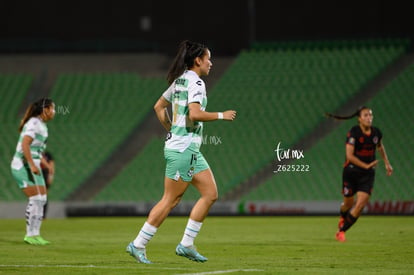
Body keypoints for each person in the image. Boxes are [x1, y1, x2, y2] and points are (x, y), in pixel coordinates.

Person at [126, 40, 237, 264]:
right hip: (183, 149)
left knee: (210, 194)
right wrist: (221, 115)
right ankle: (138, 244)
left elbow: (159, 106)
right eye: (208, 59)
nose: (211, 63)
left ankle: (186, 245)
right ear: (198, 60)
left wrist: (171, 128)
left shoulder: (179, 81)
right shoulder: (195, 82)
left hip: (188, 148)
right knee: (170, 200)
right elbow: (195, 114)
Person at [326, 106, 393, 242]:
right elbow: (349, 156)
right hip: (351, 172)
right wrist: (366, 165)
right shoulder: (354, 133)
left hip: (367, 175)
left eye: (370, 115)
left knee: (361, 204)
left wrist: (387, 162)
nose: (369, 118)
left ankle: (341, 231)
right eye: (366, 115)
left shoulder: (376, 133)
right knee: (348, 204)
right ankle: (343, 216)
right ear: (359, 119)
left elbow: (380, 146)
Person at [11, 98, 56, 245]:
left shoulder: (42, 125)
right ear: (45, 110)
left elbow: (36, 150)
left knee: (42, 199)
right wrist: (31, 164)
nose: (54, 112)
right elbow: (25, 144)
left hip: (33, 163)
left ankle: (36, 234)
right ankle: (29, 235)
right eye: (52, 108)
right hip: (22, 165)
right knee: (36, 198)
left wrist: (45, 164)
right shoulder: (34, 124)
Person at [41, 151, 55, 219]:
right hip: (37, 173)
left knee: (44, 196)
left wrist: (50, 176)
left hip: (45, 174)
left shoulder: (47, 155)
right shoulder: (35, 152)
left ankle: (43, 215)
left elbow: (51, 166)